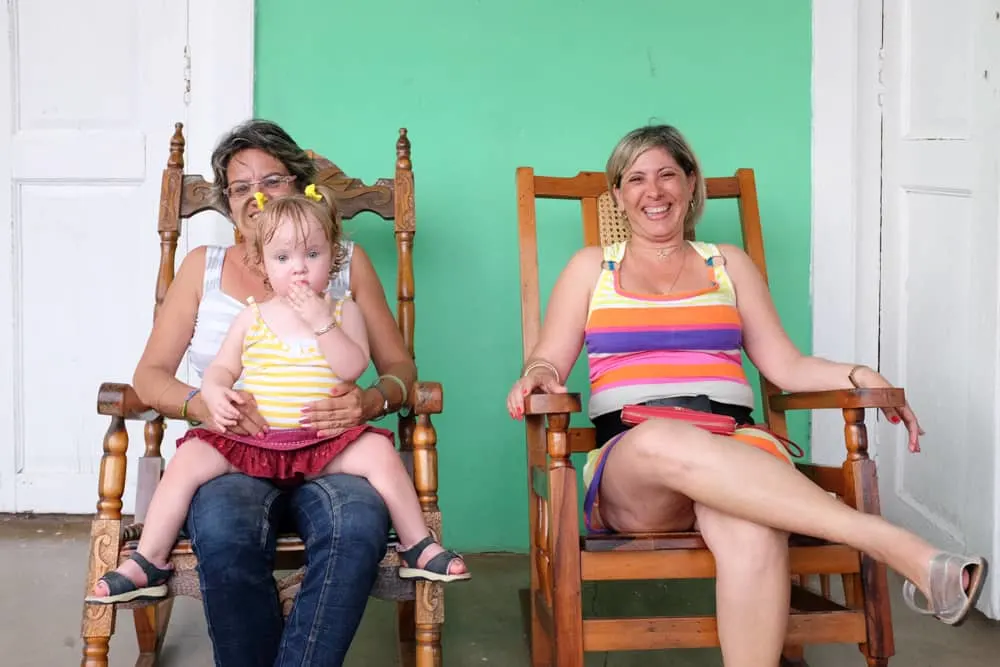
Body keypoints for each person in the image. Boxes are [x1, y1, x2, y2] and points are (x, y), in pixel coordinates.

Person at [506, 124, 988, 667]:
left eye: (668, 174)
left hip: (735, 446)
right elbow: (548, 357)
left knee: (754, 531)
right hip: (637, 464)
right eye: (636, 179)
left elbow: (786, 364)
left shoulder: (727, 264)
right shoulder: (592, 268)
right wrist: (540, 373)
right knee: (661, 436)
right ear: (618, 195)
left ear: (691, 184)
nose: (654, 191)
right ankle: (902, 548)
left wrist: (857, 373)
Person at [106, 119, 460, 667]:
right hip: (233, 453)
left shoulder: (343, 267)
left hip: (331, 447)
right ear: (228, 202)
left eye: (270, 181)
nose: (256, 198)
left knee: (356, 525)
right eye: (240, 187)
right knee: (225, 534)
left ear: (300, 185)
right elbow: (150, 375)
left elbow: (398, 370)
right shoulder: (205, 267)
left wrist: (369, 401)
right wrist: (202, 403)